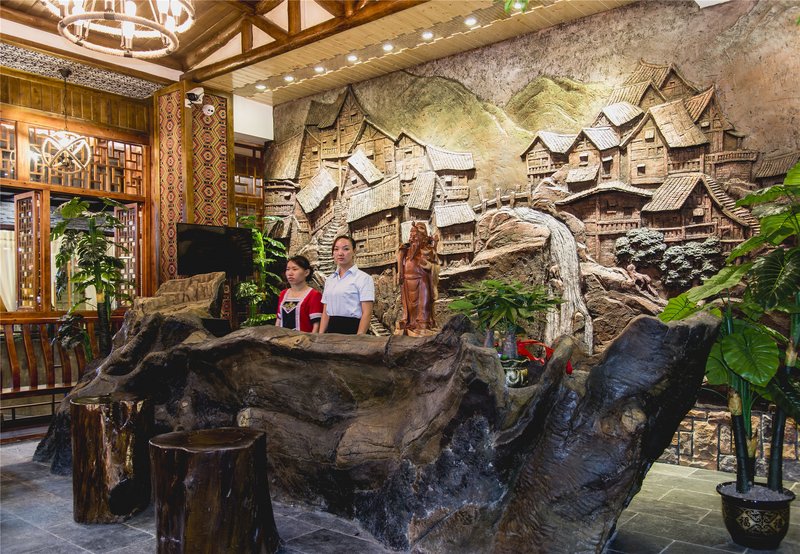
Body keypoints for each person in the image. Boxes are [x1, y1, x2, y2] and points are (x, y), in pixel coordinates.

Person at [319, 236, 375, 335]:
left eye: (346, 249)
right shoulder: (330, 280)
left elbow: (367, 313)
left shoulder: (364, 278)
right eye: (336, 249)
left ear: (354, 251)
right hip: (331, 331)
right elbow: (325, 311)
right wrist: (320, 335)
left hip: (353, 330)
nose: (340, 253)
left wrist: (359, 338)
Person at [395, 222, 440, 336]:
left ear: (423, 237)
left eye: (416, 235)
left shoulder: (428, 250)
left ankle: (423, 325)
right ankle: (410, 323)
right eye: (412, 235)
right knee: (409, 307)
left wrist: (430, 266)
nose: (413, 238)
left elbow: (436, 265)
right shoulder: (405, 251)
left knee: (423, 304)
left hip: (422, 281)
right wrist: (400, 273)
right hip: (407, 281)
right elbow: (400, 263)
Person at [276, 256, 323, 333]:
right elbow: (279, 320)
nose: (290, 273)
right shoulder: (283, 294)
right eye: (288, 269)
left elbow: (316, 325)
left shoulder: (314, 295)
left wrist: (312, 340)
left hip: (304, 339)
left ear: (306, 272)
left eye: (295, 269)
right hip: (282, 338)